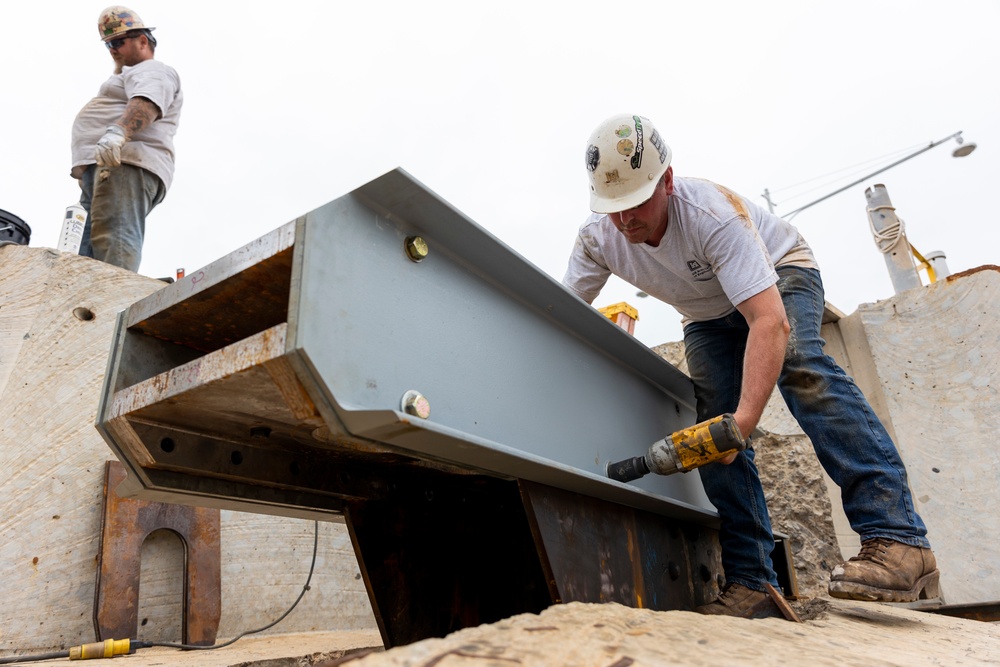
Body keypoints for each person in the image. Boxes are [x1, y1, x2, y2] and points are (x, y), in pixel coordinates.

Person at [563, 113, 938, 618]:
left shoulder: (711, 215)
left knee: (802, 368)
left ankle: (898, 537)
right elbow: (563, 314)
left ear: (667, 181)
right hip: (705, 313)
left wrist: (743, 422)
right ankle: (752, 579)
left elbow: (769, 321)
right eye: (613, 208)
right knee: (708, 421)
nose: (625, 220)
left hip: (780, 273)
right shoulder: (597, 238)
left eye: (636, 203)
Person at [70, 6, 183, 273]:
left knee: (114, 242)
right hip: (104, 168)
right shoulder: (129, 74)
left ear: (142, 41)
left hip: (123, 163)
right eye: (108, 44)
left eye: (118, 41)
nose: (112, 49)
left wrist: (117, 133)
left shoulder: (151, 70)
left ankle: (113, 305)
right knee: (82, 257)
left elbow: (146, 101)